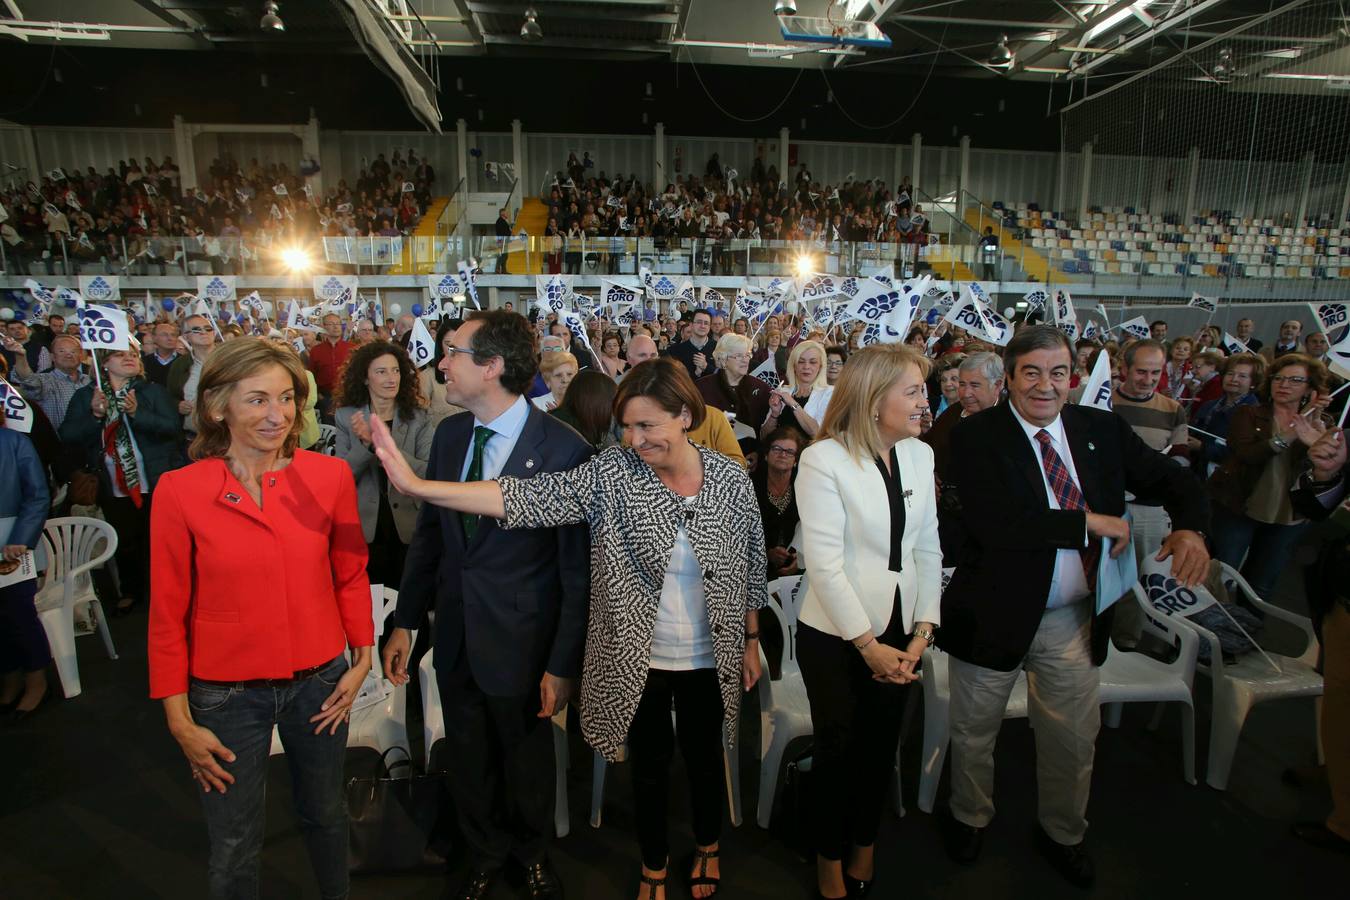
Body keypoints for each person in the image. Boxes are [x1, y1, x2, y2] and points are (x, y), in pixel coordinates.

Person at [372, 355, 765, 900]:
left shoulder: (727, 478)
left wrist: (750, 637)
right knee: (647, 766)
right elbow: (524, 499)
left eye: (646, 425)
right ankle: (653, 864)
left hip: (710, 654)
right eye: (625, 426)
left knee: (704, 762)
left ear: (684, 416)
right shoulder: (611, 473)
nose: (633, 439)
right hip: (638, 658)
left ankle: (708, 846)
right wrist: (421, 486)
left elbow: (749, 561)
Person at [940, 325, 1210, 888]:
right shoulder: (974, 437)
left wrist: (1190, 530)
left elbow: (1174, 481)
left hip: (1073, 620)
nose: (1045, 385)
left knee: (1072, 738)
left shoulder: (1102, 430)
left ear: (1074, 378)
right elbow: (998, 524)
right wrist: (1086, 523)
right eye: (1032, 373)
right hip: (993, 613)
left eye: (1057, 373)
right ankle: (969, 816)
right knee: (973, 733)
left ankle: (1063, 831)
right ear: (1009, 378)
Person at [147, 338, 374, 900]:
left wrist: (361, 656)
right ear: (217, 406)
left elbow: (349, 574)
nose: (278, 415)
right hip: (225, 697)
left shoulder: (329, 477)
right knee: (233, 843)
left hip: (321, 685)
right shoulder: (180, 491)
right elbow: (166, 612)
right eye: (257, 400)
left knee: (326, 816)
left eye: (287, 397)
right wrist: (178, 719)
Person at [380, 310, 591, 900]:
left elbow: (576, 573)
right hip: (454, 633)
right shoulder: (450, 434)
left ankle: (530, 853)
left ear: (492, 367)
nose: (439, 364)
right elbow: (429, 541)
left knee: (525, 759)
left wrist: (562, 663)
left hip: (525, 641)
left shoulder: (563, 449)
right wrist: (404, 622)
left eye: (452, 352)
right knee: (467, 754)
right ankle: (483, 850)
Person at [794, 343, 941, 899]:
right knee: (838, 750)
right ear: (874, 398)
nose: (924, 402)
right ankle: (828, 856)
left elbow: (928, 546)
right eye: (913, 391)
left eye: (923, 390)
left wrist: (924, 630)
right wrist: (868, 645)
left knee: (882, 746)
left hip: (904, 630)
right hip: (836, 636)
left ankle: (865, 845)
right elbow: (825, 566)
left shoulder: (921, 456)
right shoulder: (823, 459)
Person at [59, 349, 179, 616]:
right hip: (112, 483)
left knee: (161, 542)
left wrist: (138, 414)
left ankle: (168, 593)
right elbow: (67, 435)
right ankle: (132, 591)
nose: (129, 359)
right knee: (126, 541)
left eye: (133, 355)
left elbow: (172, 428)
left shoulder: (152, 392)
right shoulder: (86, 396)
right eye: (120, 355)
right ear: (104, 363)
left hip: (155, 480)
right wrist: (95, 416)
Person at [1207, 353, 1331, 601]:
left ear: (1310, 388)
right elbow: (1247, 454)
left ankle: (1248, 633)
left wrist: (1318, 438)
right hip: (1240, 506)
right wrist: (1291, 434)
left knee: (1261, 586)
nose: (1284, 385)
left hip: (1288, 515)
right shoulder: (1249, 413)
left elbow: (1321, 473)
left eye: (1295, 380)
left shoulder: (1322, 424)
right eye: (1278, 378)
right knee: (1221, 577)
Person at [1289, 426, 1350, 854]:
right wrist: (1327, 472)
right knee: (1339, 701)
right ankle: (1339, 777)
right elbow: (1315, 509)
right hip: (1341, 595)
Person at [333, 340, 434, 587]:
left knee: (410, 597)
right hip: (366, 524)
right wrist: (365, 446)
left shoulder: (418, 417)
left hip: (409, 522)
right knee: (374, 603)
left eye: (396, 370)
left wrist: (382, 443)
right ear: (365, 378)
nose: (392, 378)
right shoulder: (347, 416)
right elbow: (341, 477)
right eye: (381, 372)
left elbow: (427, 470)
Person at [0, 416, 51, 720]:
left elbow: (37, 496)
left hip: (12, 546)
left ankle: (36, 679)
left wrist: (21, 538)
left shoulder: (15, 442)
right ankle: (9, 676)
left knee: (19, 613)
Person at [1190, 352, 1264, 477]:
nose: (1234, 379)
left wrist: (1203, 448)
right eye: (1230, 374)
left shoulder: (1255, 414)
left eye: (1242, 376)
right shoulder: (1209, 405)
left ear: (1253, 382)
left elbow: (1246, 453)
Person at [9, 332, 90, 430]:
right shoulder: (45, 380)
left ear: (81, 356)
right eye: (61, 351)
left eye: (73, 352)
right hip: (59, 442)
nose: (68, 355)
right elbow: (27, 379)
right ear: (52, 357)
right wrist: (20, 356)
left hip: (93, 442)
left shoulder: (91, 381)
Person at [754, 427, 803, 580]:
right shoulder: (751, 485)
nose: (783, 454)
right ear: (766, 455)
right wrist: (767, 554)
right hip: (757, 569)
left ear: (795, 461)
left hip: (797, 569)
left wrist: (801, 558)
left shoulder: (805, 486)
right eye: (776, 449)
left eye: (789, 451)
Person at [697, 333, 771, 433]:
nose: (745, 360)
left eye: (747, 355)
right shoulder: (702, 387)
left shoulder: (761, 389)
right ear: (723, 359)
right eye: (739, 356)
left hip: (750, 447)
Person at [764, 339, 833, 439]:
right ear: (794, 366)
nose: (806, 366)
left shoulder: (829, 392)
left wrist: (793, 404)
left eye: (813, 362)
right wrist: (774, 414)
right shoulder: (783, 391)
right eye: (801, 362)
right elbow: (764, 437)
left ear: (820, 366)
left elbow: (817, 433)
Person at [167, 313, 218, 447]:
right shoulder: (179, 365)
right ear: (185, 336)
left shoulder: (230, 358)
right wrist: (178, 405)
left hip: (231, 436)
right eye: (196, 329)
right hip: (195, 440)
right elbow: (171, 396)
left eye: (208, 328)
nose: (203, 332)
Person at [551, 369, 619, 450]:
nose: (614, 409)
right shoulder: (565, 430)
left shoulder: (585, 425)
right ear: (597, 401)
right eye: (611, 401)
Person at [307, 314, 353, 416]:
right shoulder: (316, 351)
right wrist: (318, 395)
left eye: (338, 324)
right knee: (330, 429)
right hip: (326, 398)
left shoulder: (351, 348)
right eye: (331, 324)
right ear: (324, 327)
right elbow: (311, 375)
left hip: (348, 396)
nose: (336, 327)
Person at [666, 309, 718, 381]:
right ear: (691, 324)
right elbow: (671, 379)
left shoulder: (719, 348)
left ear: (710, 326)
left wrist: (706, 366)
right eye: (699, 322)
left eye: (706, 323)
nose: (702, 326)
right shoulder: (674, 350)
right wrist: (695, 374)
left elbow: (725, 377)